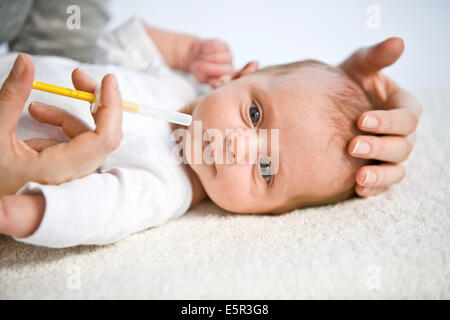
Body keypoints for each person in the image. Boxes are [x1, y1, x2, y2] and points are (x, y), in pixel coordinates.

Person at [0, 19, 422, 247]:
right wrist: (186, 50)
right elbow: (117, 45)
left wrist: (25, 215)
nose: (239, 146)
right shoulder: (180, 85)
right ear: (237, 77)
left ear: (267, 212)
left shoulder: (168, 186)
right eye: (255, 114)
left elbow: (99, 212)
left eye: (266, 167)